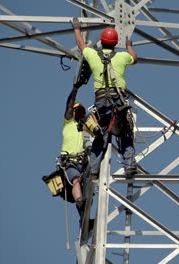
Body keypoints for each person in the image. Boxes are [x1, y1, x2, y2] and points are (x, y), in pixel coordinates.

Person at [71, 18, 138, 177]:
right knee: (124, 134)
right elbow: (134, 58)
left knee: (100, 137)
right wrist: (129, 46)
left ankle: (94, 171)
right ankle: (129, 166)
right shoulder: (122, 57)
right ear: (115, 43)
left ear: (102, 41)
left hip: (101, 103)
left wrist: (77, 28)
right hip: (118, 101)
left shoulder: (93, 56)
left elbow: (82, 45)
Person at [59, 83, 90, 218]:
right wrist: (75, 89)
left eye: (82, 111)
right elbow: (69, 105)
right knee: (76, 180)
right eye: (77, 111)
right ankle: (79, 202)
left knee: (88, 189)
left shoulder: (85, 128)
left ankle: (84, 218)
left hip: (82, 163)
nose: (80, 113)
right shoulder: (69, 123)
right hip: (69, 162)